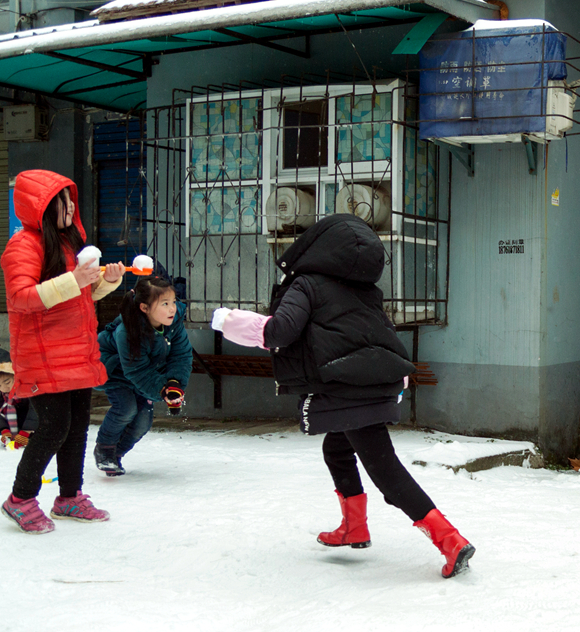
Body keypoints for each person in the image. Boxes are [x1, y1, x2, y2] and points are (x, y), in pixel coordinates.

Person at [213, 213, 476, 578]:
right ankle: (354, 526)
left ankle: (450, 540)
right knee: (336, 449)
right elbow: (380, 335)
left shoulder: (307, 284)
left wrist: (230, 322)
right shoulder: (365, 291)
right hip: (369, 383)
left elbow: (281, 331)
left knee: (386, 472)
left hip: (345, 388)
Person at [0, 170, 125, 534]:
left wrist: (107, 282)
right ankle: (20, 498)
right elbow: (21, 299)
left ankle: (69, 497)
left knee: (76, 428)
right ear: (42, 207)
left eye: (71, 201)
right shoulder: (22, 246)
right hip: (43, 354)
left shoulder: (67, 245)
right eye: (62, 202)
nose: (71, 208)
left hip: (76, 351)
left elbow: (77, 297)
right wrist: (75, 280)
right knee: (54, 427)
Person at [94, 275, 192, 476]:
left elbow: (181, 354)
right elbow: (136, 370)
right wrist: (162, 389)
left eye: (173, 302)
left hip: (145, 373)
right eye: (165, 304)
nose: (172, 308)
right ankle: (104, 450)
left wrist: (174, 384)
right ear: (144, 308)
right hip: (115, 371)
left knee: (142, 422)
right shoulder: (128, 331)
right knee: (127, 408)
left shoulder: (173, 324)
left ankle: (115, 456)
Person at [0, 347, 37, 450]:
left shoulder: (28, 390)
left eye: (7, 382)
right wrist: (4, 429)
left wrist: (26, 431)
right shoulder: (2, 396)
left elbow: (35, 412)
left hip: (32, 431)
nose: (4, 388)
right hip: (14, 437)